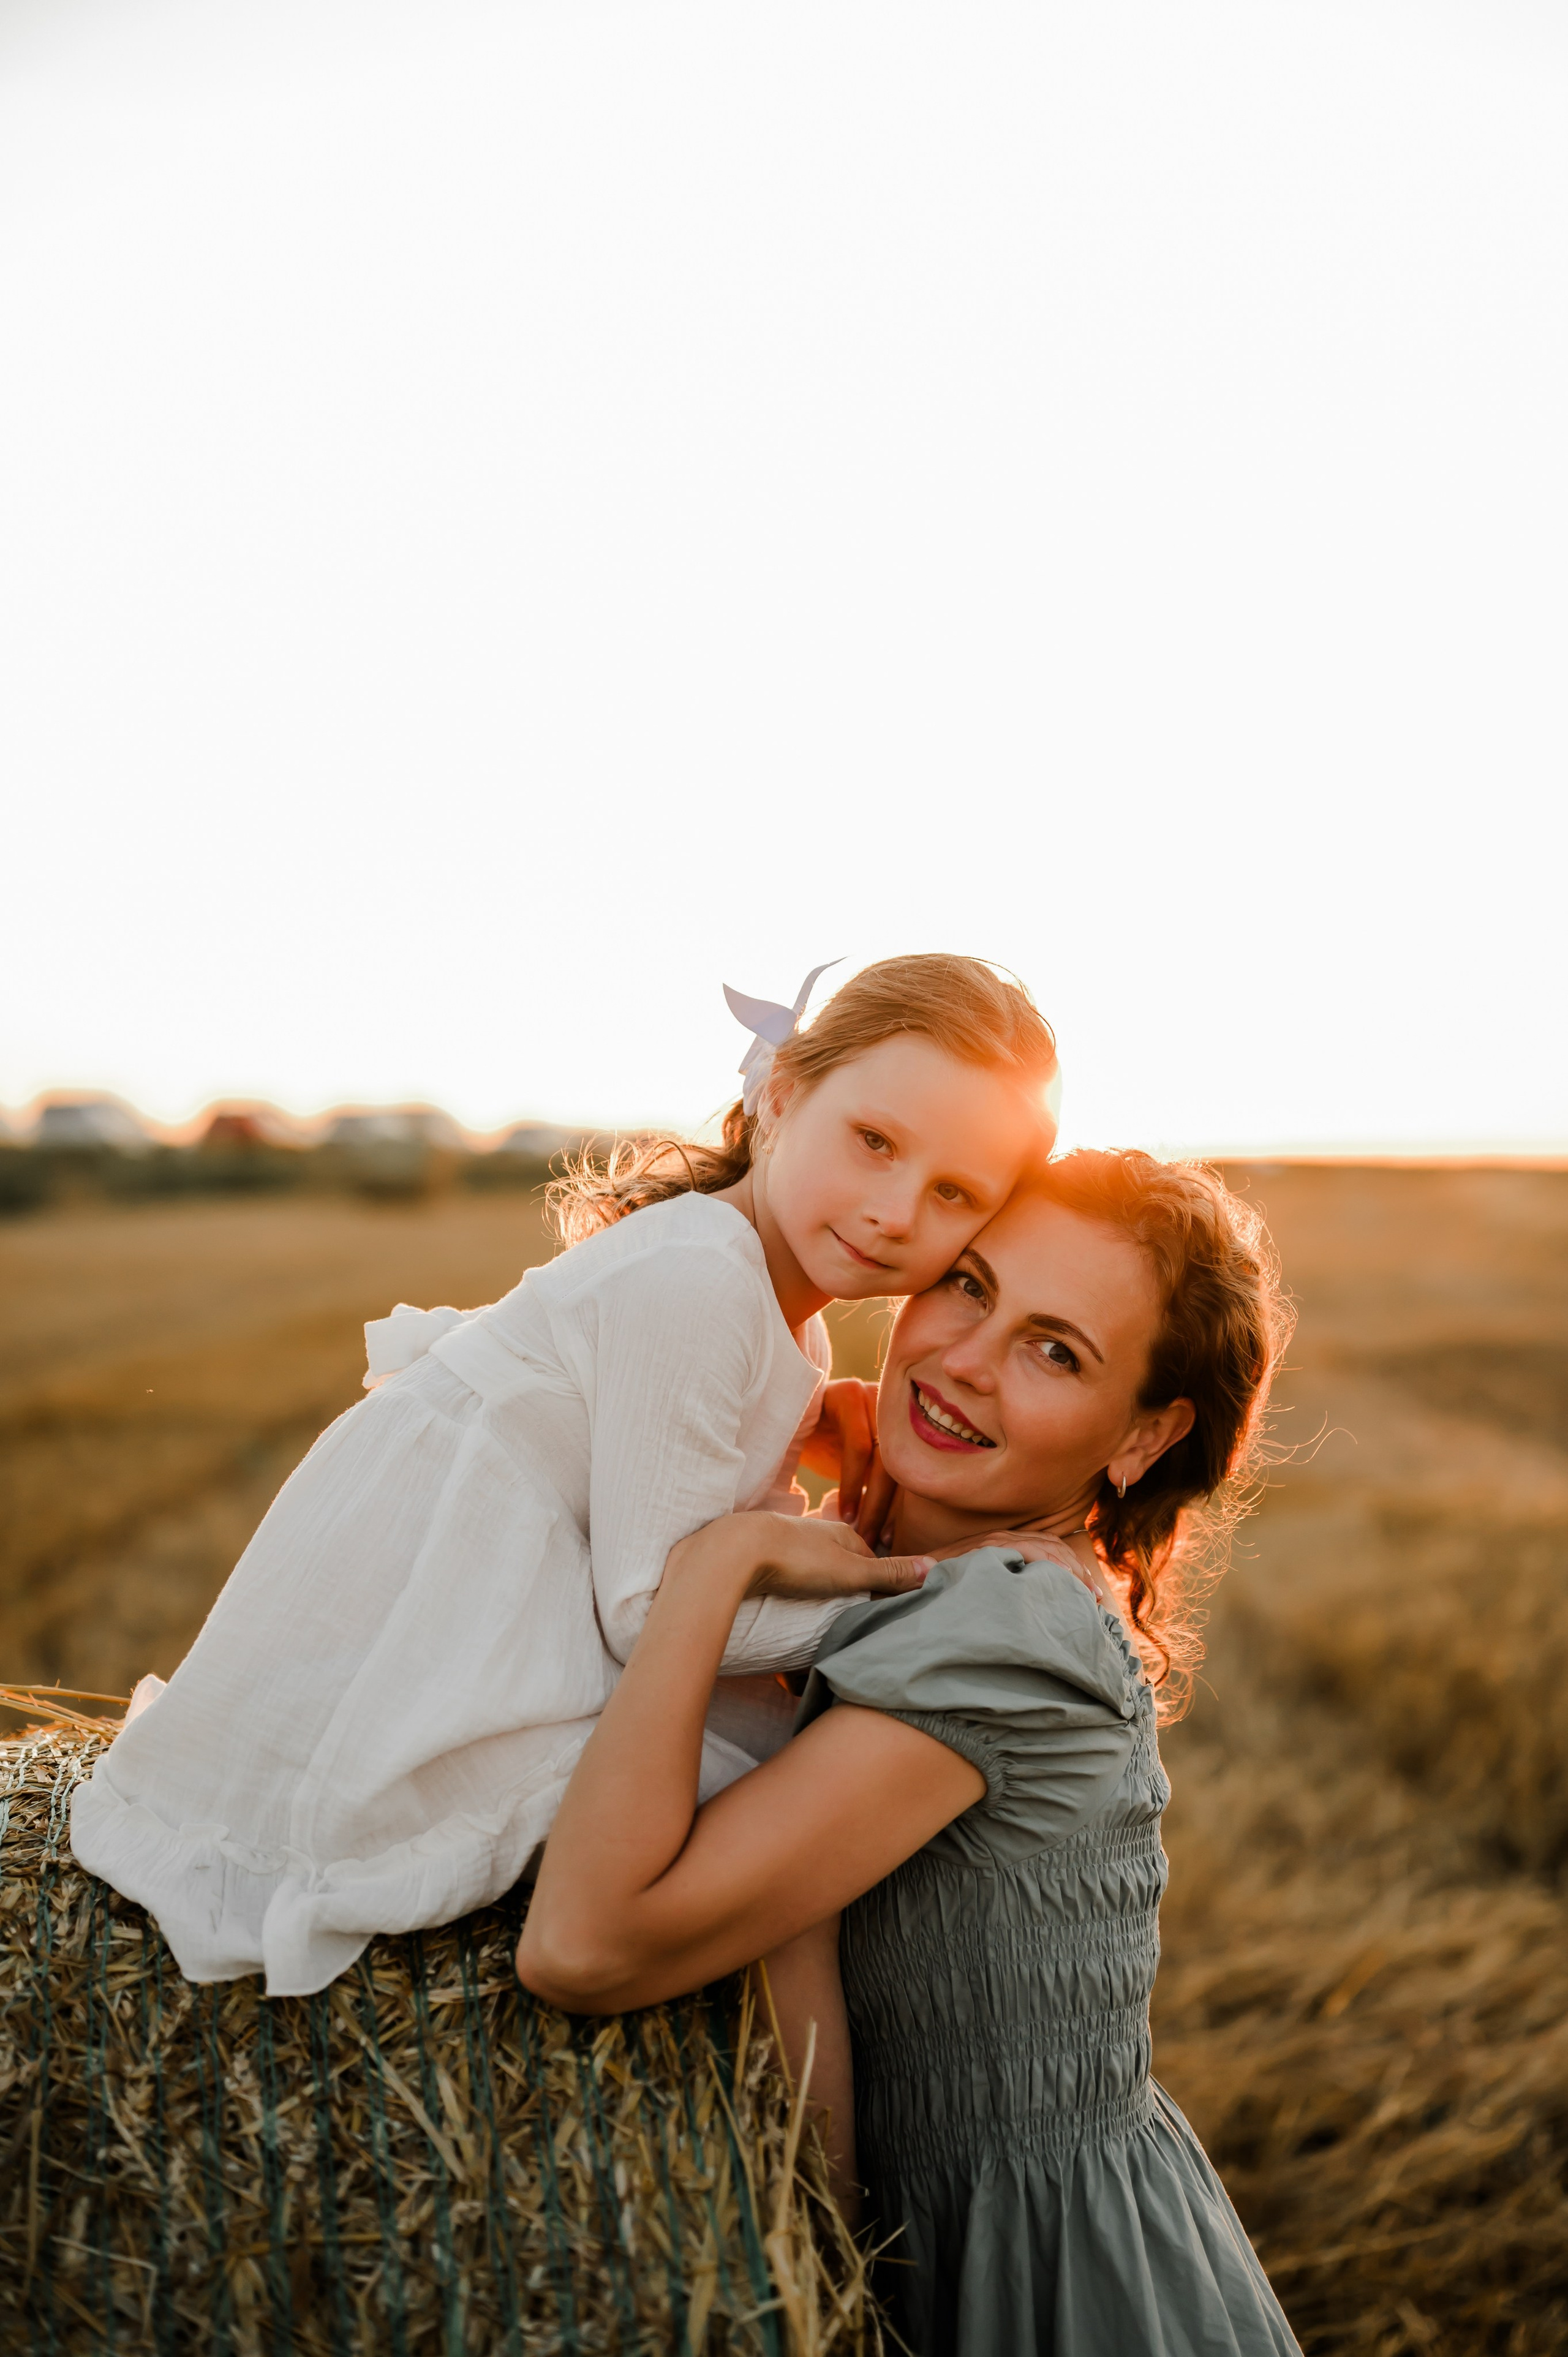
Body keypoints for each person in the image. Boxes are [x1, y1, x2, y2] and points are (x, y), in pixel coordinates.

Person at [70, 954, 1058, 2000]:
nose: (897, 1210)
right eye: (874, 1142)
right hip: (429, 1633)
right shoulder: (700, 1278)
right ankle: (825, 2169)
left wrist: (824, 1476)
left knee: (782, 1790)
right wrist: (923, 1599)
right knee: (767, 1834)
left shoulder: (772, 1316)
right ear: (780, 1095)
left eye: (954, 1193)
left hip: (515, 1610)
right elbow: (651, 1615)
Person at [516, 1150, 1303, 2356]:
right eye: (968, 1287)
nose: (962, 1360)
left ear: (1143, 1436)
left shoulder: (1008, 1622)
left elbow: (584, 1947)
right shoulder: (930, 1580)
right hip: (943, 2234)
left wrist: (715, 1568)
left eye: (1055, 1351)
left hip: (1041, 2284)